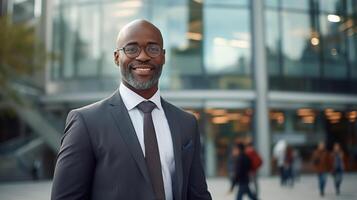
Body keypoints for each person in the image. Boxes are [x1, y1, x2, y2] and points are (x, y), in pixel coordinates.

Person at [51, 19, 212, 200]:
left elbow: (198, 195)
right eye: (132, 48)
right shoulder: (86, 122)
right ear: (116, 57)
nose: (143, 56)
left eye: (153, 48)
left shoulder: (186, 122)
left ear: (164, 56)